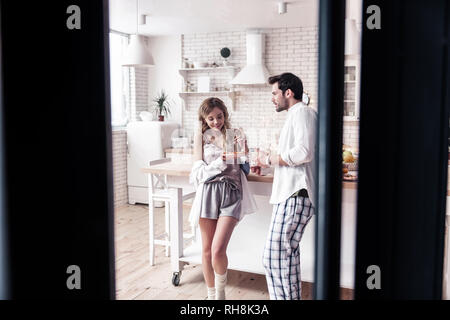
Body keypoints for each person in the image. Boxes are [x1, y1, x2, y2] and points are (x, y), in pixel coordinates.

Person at [255, 72, 317, 300]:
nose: (273, 98)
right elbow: (293, 156)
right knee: (283, 256)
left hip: (297, 194)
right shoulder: (297, 115)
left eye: (275, 93)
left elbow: (304, 152)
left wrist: (272, 159)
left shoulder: (303, 113)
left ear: (288, 93)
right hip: (291, 194)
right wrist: (269, 163)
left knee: (275, 257)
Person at [189, 97, 257, 300]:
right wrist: (221, 160)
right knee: (208, 251)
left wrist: (244, 152)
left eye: (219, 117)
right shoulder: (201, 138)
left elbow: (244, 166)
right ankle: (214, 297)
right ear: (204, 120)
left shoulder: (234, 135)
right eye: (211, 119)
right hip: (208, 194)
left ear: (225, 115)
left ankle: (219, 293)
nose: (216, 122)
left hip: (231, 193)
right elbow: (198, 174)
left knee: (218, 249)